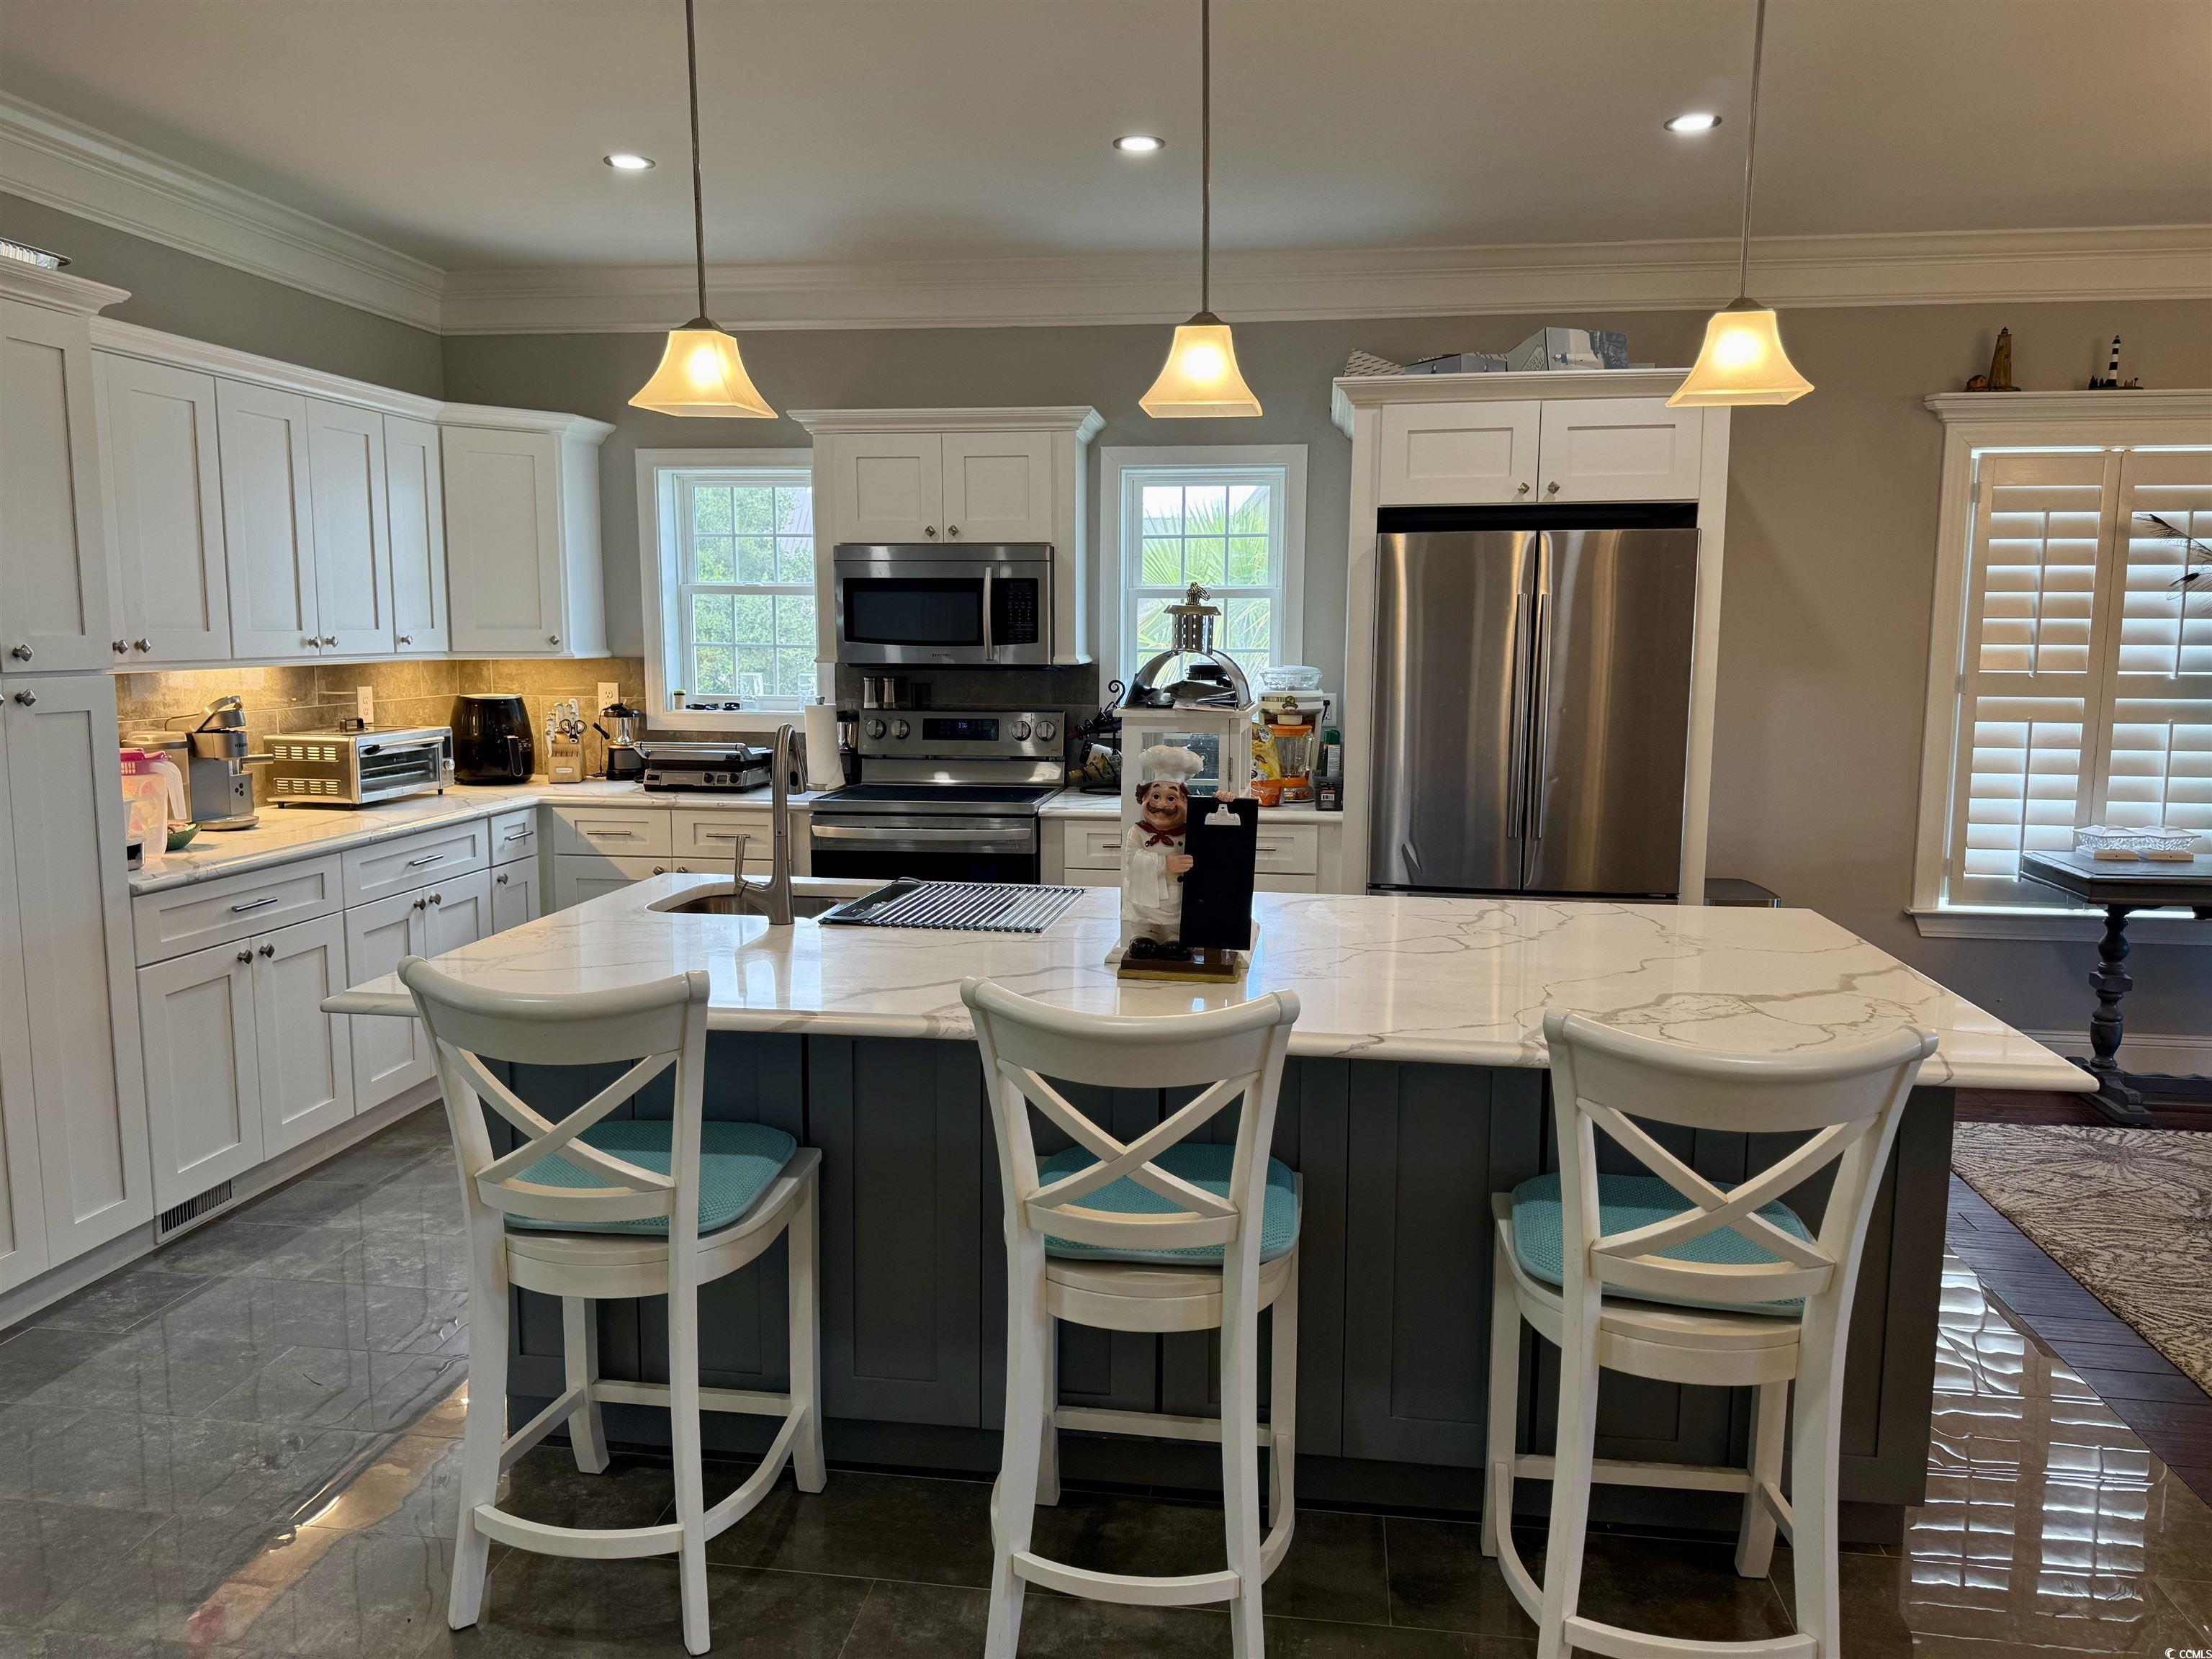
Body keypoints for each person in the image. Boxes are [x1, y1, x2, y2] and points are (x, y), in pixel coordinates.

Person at [1121, 745, 1205, 945]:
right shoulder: (1138, 832)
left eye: (1172, 798)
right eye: (1156, 796)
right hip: (1143, 900)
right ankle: (1145, 934)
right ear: (1144, 798)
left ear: (1185, 802)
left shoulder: (1192, 832)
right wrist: (1164, 863)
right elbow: (1132, 857)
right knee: (1144, 929)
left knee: (1176, 928)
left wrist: (1226, 801)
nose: (1161, 805)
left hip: (1177, 901)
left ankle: (1173, 937)